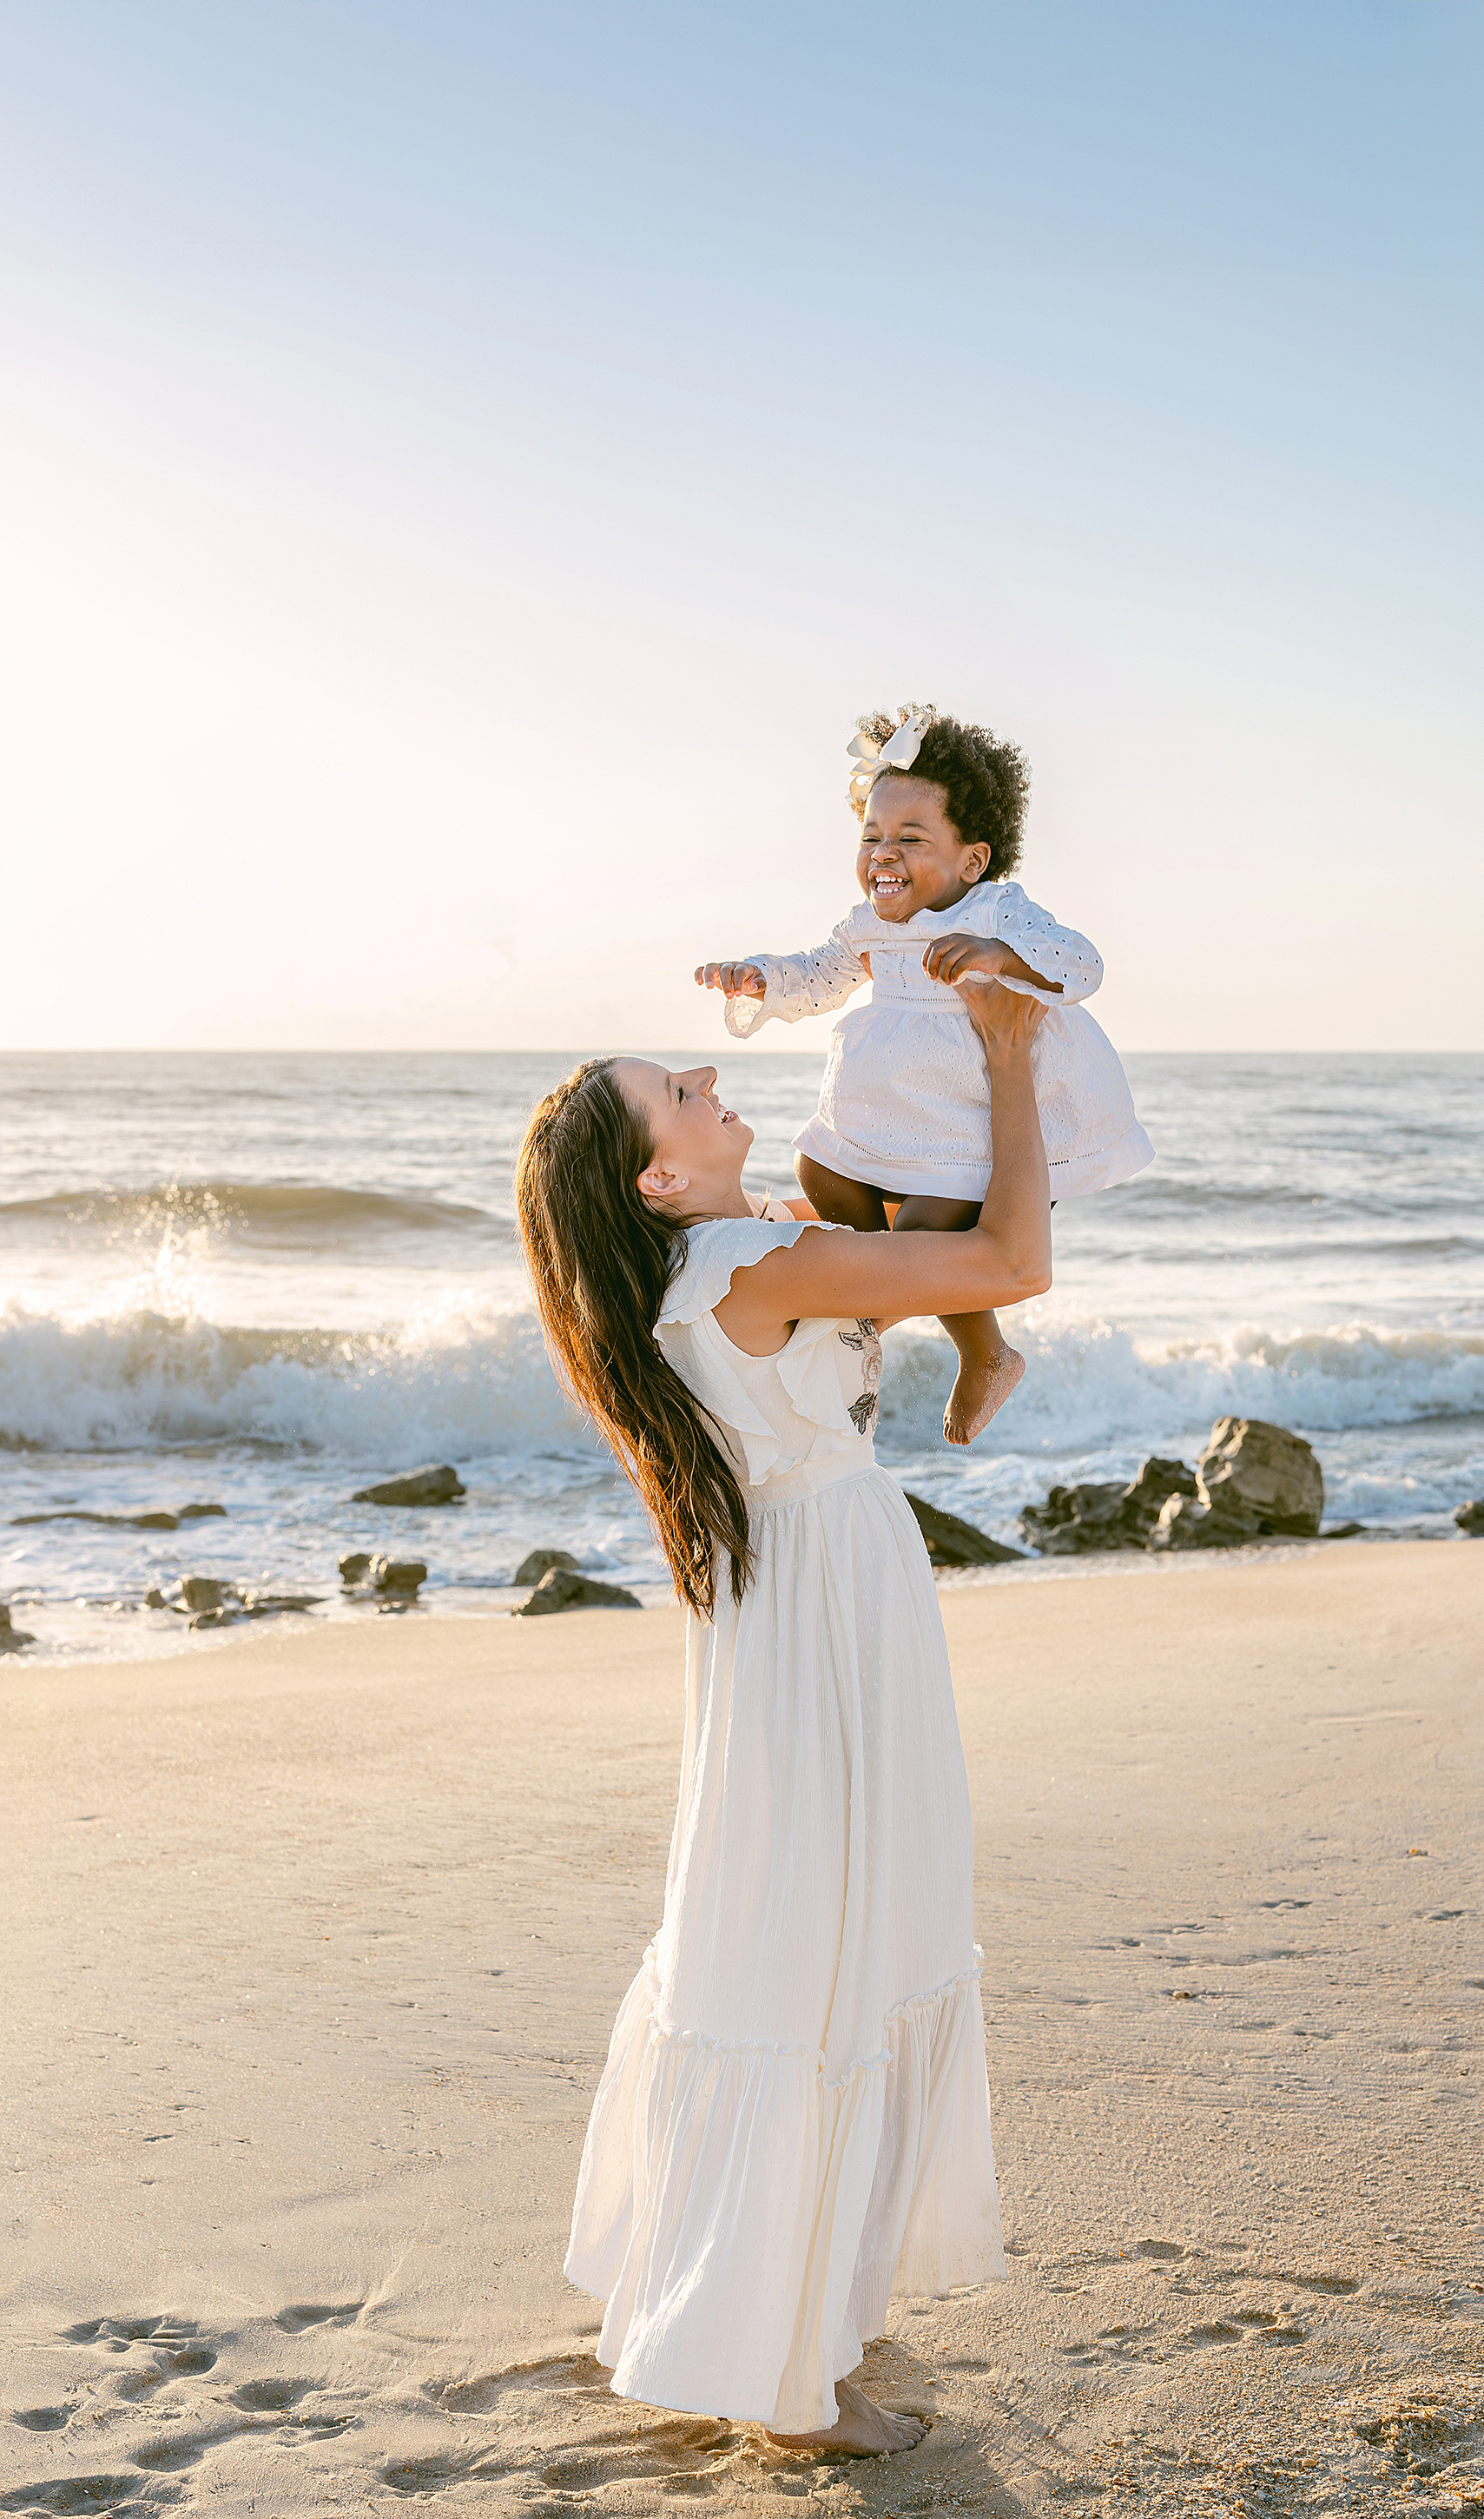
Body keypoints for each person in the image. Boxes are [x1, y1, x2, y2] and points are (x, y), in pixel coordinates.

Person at [513, 977, 1052, 2451]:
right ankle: (782, 2377)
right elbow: (1009, 1256)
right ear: (659, 1178)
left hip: (793, 1607)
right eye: (674, 1093)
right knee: (829, 1942)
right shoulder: (748, 1262)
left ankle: (761, 2312)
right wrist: (1005, 1058)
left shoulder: (695, 1274)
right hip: (828, 1612)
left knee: (787, 1932)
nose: (701, 1072)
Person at [696, 704, 1151, 1445]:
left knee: (922, 1232)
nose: (883, 853)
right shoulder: (869, 925)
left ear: (971, 860)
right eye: (871, 835)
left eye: (910, 839)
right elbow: (822, 975)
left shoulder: (998, 911)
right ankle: (874, 1305)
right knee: (821, 1169)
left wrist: (1000, 956)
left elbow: (1082, 964)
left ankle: (965, 1351)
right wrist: (760, 979)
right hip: (895, 1104)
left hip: (970, 1117)